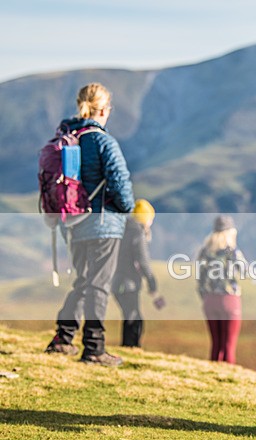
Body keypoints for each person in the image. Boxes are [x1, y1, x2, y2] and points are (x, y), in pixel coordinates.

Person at [44, 83, 135, 367]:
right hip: (104, 224)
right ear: (104, 109)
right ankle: (94, 348)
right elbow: (120, 184)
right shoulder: (103, 141)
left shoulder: (71, 136)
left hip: (75, 222)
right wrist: (126, 208)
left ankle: (63, 337)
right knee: (99, 284)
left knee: (83, 281)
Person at [112, 199, 165, 348]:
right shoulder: (137, 233)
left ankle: (129, 347)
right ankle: (131, 348)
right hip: (127, 283)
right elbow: (143, 261)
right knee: (134, 318)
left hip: (116, 282)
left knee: (130, 316)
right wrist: (152, 283)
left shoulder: (123, 230)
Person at [197, 215, 246, 365]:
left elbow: (200, 280)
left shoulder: (204, 251)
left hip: (209, 301)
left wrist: (205, 297)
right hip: (229, 301)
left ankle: (212, 377)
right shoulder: (232, 251)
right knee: (228, 346)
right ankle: (227, 380)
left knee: (216, 345)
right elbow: (244, 270)